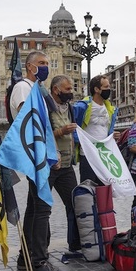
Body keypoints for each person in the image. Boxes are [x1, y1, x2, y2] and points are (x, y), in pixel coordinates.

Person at [11, 51, 68, 271]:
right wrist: (46, 153)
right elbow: (31, 121)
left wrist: (52, 149)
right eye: (41, 63)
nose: (45, 67)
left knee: (35, 207)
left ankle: (26, 258)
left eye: (47, 63)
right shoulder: (24, 88)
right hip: (36, 154)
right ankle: (39, 261)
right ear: (29, 66)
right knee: (42, 207)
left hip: (41, 153)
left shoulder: (36, 90)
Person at [46, 75, 80, 252]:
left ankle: (75, 244)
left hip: (66, 165)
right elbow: (41, 133)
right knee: (42, 207)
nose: (71, 92)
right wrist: (61, 131)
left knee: (74, 203)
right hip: (49, 164)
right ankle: (39, 249)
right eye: (67, 89)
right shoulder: (46, 106)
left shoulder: (70, 108)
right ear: (56, 90)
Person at [73, 75, 118, 185]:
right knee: (88, 188)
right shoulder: (83, 106)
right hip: (88, 155)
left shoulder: (110, 109)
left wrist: (112, 136)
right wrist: (79, 141)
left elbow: (106, 130)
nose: (109, 90)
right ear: (97, 89)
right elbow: (73, 126)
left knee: (103, 188)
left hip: (104, 156)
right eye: (106, 87)